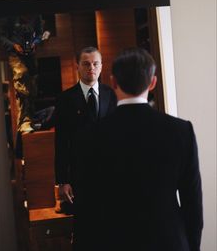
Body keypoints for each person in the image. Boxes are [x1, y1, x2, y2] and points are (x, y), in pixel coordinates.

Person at [87, 47, 203, 251]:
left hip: (114, 241)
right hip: (169, 241)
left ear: (113, 82)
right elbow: (192, 204)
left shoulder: (93, 135)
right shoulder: (181, 131)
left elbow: (88, 208)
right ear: (153, 82)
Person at [54, 46, 117, 246]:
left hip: (110, 174)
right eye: (86, 64)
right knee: (85, 232)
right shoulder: (65, 99)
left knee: (111, 229)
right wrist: (62, 180)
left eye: (95, 63)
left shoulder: (111, 94)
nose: (91, 68)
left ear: (101, 66)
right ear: (78, 67)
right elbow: (61, 142)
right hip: (80, 176)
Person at [0, 14, 50, 134]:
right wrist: (13, 46)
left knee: (32, 88)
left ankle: (29, 119)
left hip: (30, 55)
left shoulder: (36, 15)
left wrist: (35, 42)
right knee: (22, 78)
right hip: (15, 54)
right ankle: (24, 122)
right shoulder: (9, 15)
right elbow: (0, 36)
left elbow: (40, 33)